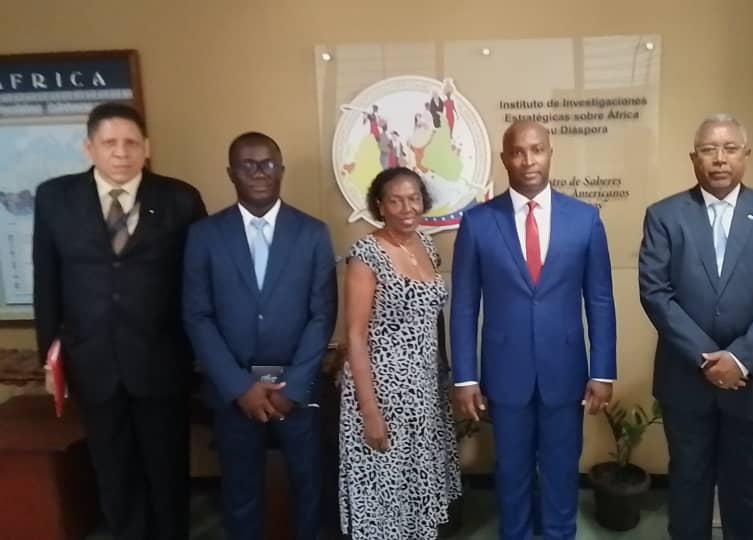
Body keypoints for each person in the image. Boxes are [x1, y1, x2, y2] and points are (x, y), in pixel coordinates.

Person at [33, 101, 206, 540]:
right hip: (92, 362)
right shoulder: (55, 199)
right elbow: (46, 281)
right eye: (109, 142)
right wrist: (49, 358)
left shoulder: (179, 199)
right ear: (89, 148)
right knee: (113, 473)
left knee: (167, 471)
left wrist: (200, 354)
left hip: (161, 361)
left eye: (131, 142)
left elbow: (200, 282)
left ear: (146, 147)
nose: (121, 152)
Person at [638, 114, 753, 540]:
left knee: (747, 492)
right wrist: (708, 360)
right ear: (693, 158)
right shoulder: (664, 216)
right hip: (685, 381)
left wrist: (739, 359)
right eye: (708, 150)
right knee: (687, 486)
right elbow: (655, 293)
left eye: (730, 149)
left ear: (746, 155)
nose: (719, 159)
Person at [450, 120, 616, 540]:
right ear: (505, 158)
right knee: (511, 471)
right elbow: (465, 306)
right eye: (518, 152)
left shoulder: (585, 219)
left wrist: (603, 371)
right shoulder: (478, 223)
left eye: (537, 150)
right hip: (506, 372)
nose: (528, 160)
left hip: (565, 370)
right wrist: (465, 377)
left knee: (562, 469)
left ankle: (560, 534)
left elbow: (599, 300)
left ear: (550, 153)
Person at [182, 132, 337, 540]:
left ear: (280, 170)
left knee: (309, 489)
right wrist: (239, 387)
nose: (259, 172)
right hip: (235, 390)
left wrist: (295, 385)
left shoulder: (312, 233)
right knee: (240, 493)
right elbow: (197, 316)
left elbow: (322, 315)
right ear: (230, 173)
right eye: (247, 165)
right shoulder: (204, 235)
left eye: (267, 163)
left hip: (297, 389)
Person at [339, 166, 461, 539]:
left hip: (425, 391)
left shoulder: (425, 244)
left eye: (414, 199)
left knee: (418, 489)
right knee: (386, 493)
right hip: (383, 394)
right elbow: (355, 336)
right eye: (396, 201)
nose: (407, 209)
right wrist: (369, 411)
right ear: (380, 205)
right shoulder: (366, 254)